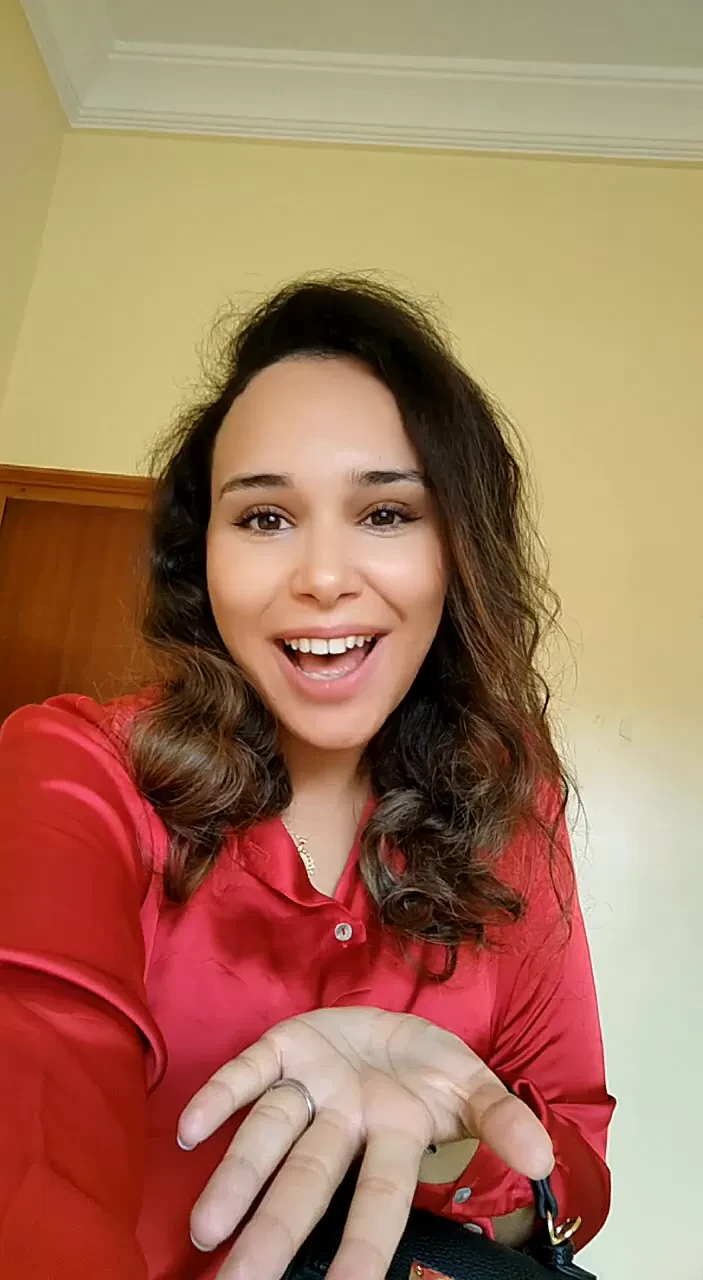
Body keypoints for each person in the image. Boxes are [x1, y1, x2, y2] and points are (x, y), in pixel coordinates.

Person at [0, 276, 614, 1280]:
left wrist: (448, 1149)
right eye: (265, 518)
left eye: (386, 511)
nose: (323, 576)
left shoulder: (513, 802)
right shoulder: (75, 772)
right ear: (202, 556)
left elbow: (576, 1176)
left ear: (458, 550)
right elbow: (27, 1157)